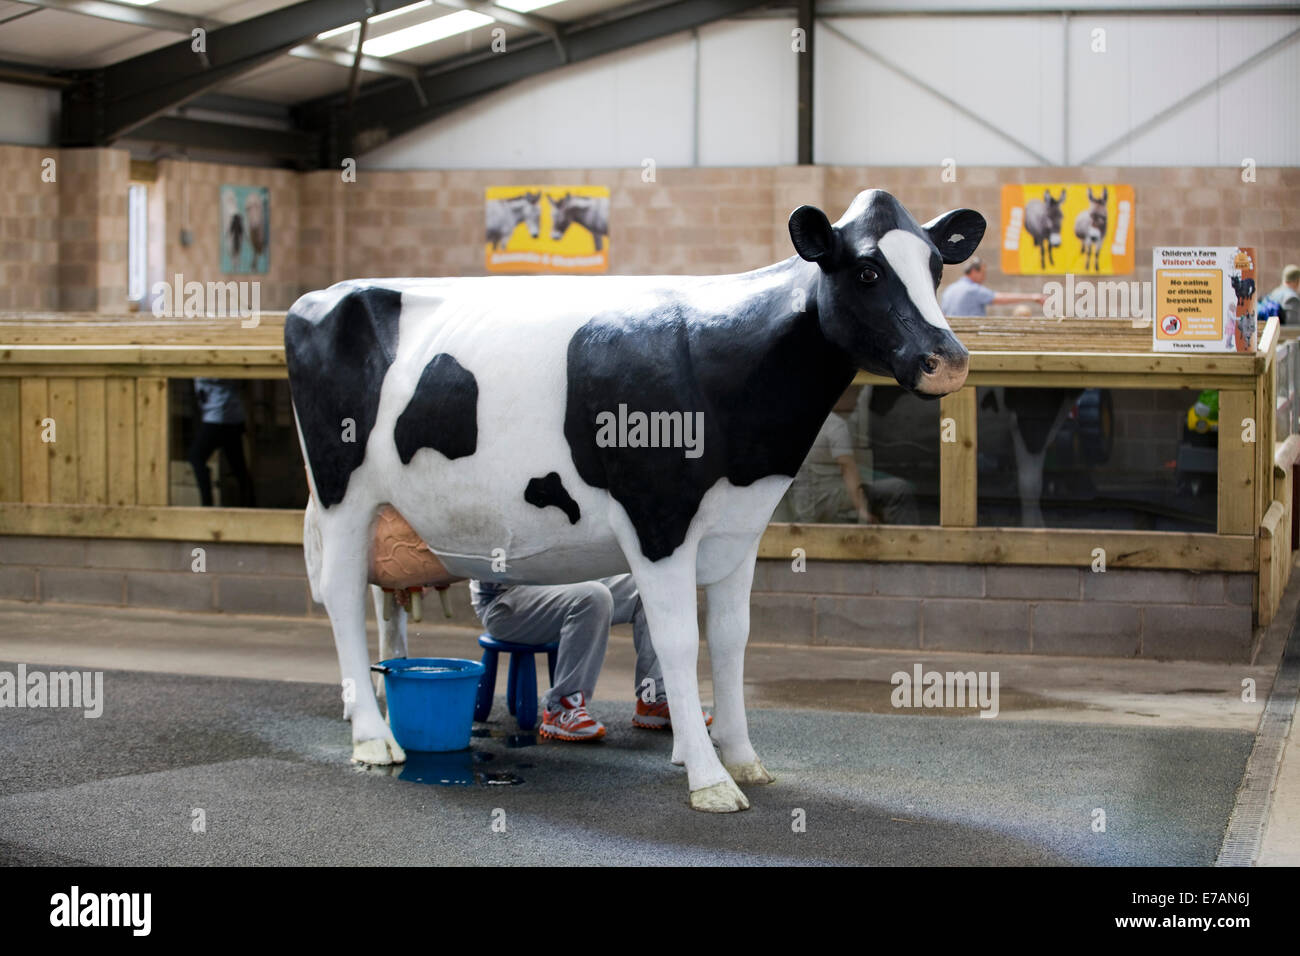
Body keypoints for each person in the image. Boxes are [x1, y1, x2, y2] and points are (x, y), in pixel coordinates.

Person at [470, 575, 708, 742]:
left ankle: (652, 698)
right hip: (506, 601)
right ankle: (561, 707)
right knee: (593, 596)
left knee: (653, 586)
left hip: (560, 580)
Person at [188, 378, 256, 507]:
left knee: (196, 457)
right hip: (227, 417)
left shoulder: (210, 363)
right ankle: (251, 504)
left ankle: (207, 506)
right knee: (238, 466)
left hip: (220, 417)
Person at [940, 257, 1046, 317]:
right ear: (974, 272)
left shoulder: (949, 290)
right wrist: (1032, 297)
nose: (984, 277)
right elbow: (1001, 298)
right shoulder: (973, 290)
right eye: (983, 273)